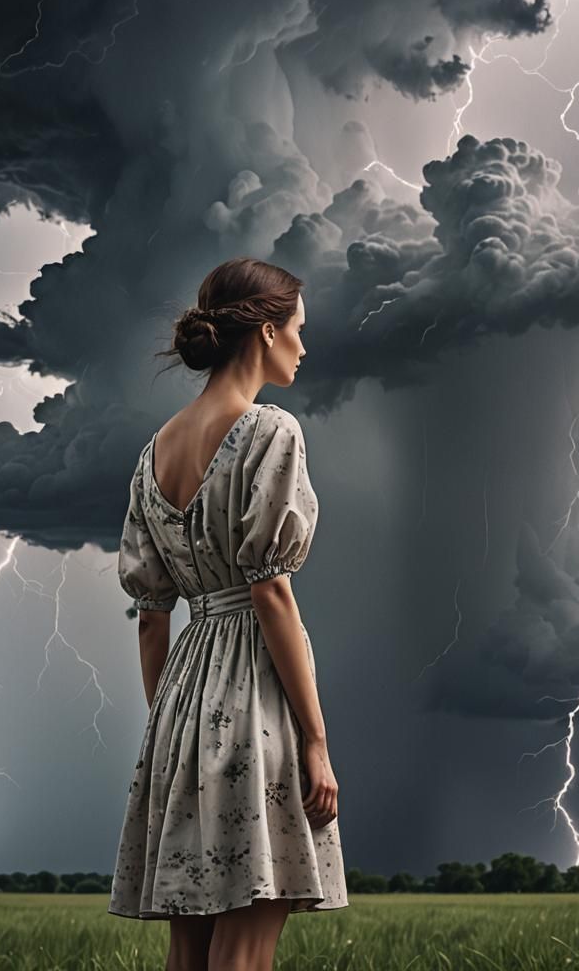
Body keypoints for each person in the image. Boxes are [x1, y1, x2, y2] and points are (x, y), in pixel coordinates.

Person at [107, 257, 348, 969]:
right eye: (298, 331)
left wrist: (172, 732)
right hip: (253, 705)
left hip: (179, 711)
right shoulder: (270, 432)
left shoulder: (154, 454)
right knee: (246, 946)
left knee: (190, 949)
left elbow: (153, 615)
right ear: (267, 331)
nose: (304, 347)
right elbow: (270, 591)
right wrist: (314, 741)